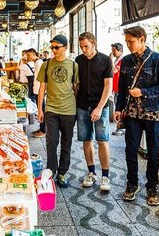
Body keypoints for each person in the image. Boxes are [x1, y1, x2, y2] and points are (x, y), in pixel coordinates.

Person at [114, 26, 159, 206]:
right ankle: (132, 184)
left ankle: (151, 188)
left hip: (152, 112)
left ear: (142, 39)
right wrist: (118, 107)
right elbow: (122, 88)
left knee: (153, 152)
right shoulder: (126, 61)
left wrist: (143, 92)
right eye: (127, 41)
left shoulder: (158, 59)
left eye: (131, 41)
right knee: (130, 150)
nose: (128, 45)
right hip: (131, 113)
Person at [37, 35, 79, 188]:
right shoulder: (46, 65)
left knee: (66, 143)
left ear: (65, 48)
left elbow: (76, 88)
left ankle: (62, 172)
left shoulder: (74, 65)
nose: (54, 50)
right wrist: (40, 109)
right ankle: (51, 170)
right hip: (51, 109)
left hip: (69, 110)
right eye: (52, 47)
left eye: (57, 47)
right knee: (51, 141)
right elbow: (42, 88)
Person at [75, 32, 113, 192]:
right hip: (82, 105)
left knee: (102, 140)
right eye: (81, 47)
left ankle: (105, 176)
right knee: (86, 140)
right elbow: (76, 84)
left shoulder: (105, 60)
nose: (84, 50)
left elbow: (108, 86)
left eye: (87, 46)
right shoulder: (78, 60)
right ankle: (91, 172)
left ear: (94, 43)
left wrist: (99, 107)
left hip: (101, 106)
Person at [30, 48, 45, 138]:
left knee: (42, 110)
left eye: (29, 55)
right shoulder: (36, 62)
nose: (28, 57)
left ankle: (43, 131)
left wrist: (41, 90)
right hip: (37, 89)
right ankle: (41, 128)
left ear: (34, 54)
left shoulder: (39, 62)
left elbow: (42, 78)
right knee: (40, 110)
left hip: (40, 90)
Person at [110, 43, 124, 136]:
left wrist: (110, 60)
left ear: (120, 51)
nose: (113, 52)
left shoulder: (122, 61)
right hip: (116, 88)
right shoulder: (117, 60)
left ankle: (121, 128)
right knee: (116, 106)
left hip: (119, 88)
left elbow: (114, 70)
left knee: (119, 108)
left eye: (114, 51)